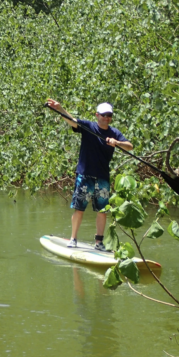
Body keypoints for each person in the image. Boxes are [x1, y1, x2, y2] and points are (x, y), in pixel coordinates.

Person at [46, 99, 134, 251]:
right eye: (104, 115)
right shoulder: (88, 126)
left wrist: (117, 143)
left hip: (102, 177)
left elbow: (130, 146)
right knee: (79, 208)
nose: (106, 118)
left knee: (102, 211)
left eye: (109, 115)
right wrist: (60, 108)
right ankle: (73, 239)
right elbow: (72, 121)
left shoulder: (114, 133)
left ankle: (99, 243)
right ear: (97, 115)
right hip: (85, 175)